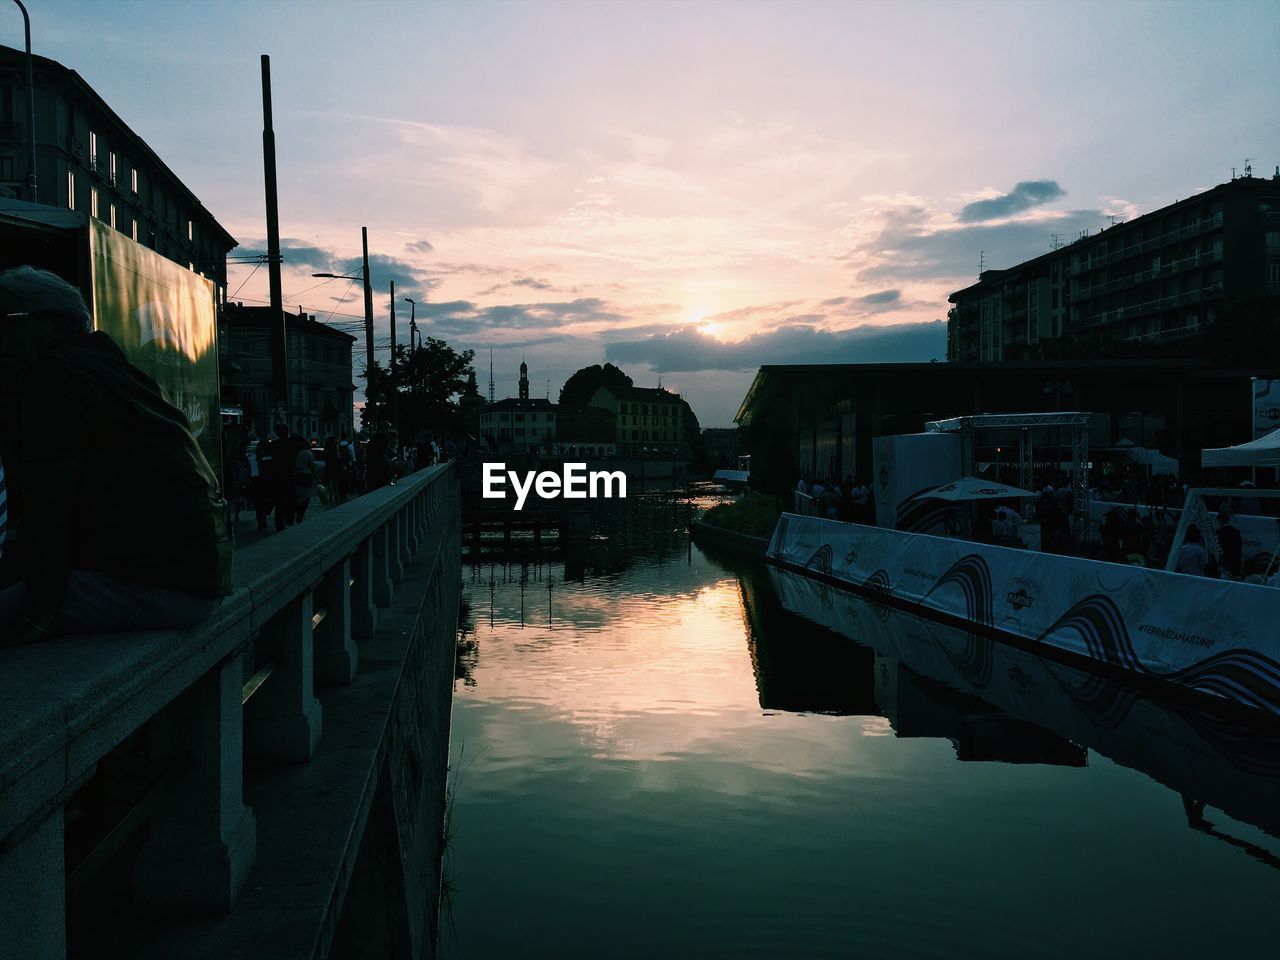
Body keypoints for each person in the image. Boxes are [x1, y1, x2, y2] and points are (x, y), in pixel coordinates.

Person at [0, 267, 231, 644]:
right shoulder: (112, 370)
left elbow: (50, 512)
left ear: (54, 324)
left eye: (6, 321)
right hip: (195, 581)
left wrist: (38, 620)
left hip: (149, 586)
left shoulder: (55, 375)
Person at [1216, 511, 1243, 579]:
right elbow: (1240, 547)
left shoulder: (1219, 533)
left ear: (1220, 521)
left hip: (1225, 563)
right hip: (1236, 562)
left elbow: (1218, 548)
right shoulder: (1236, 531)